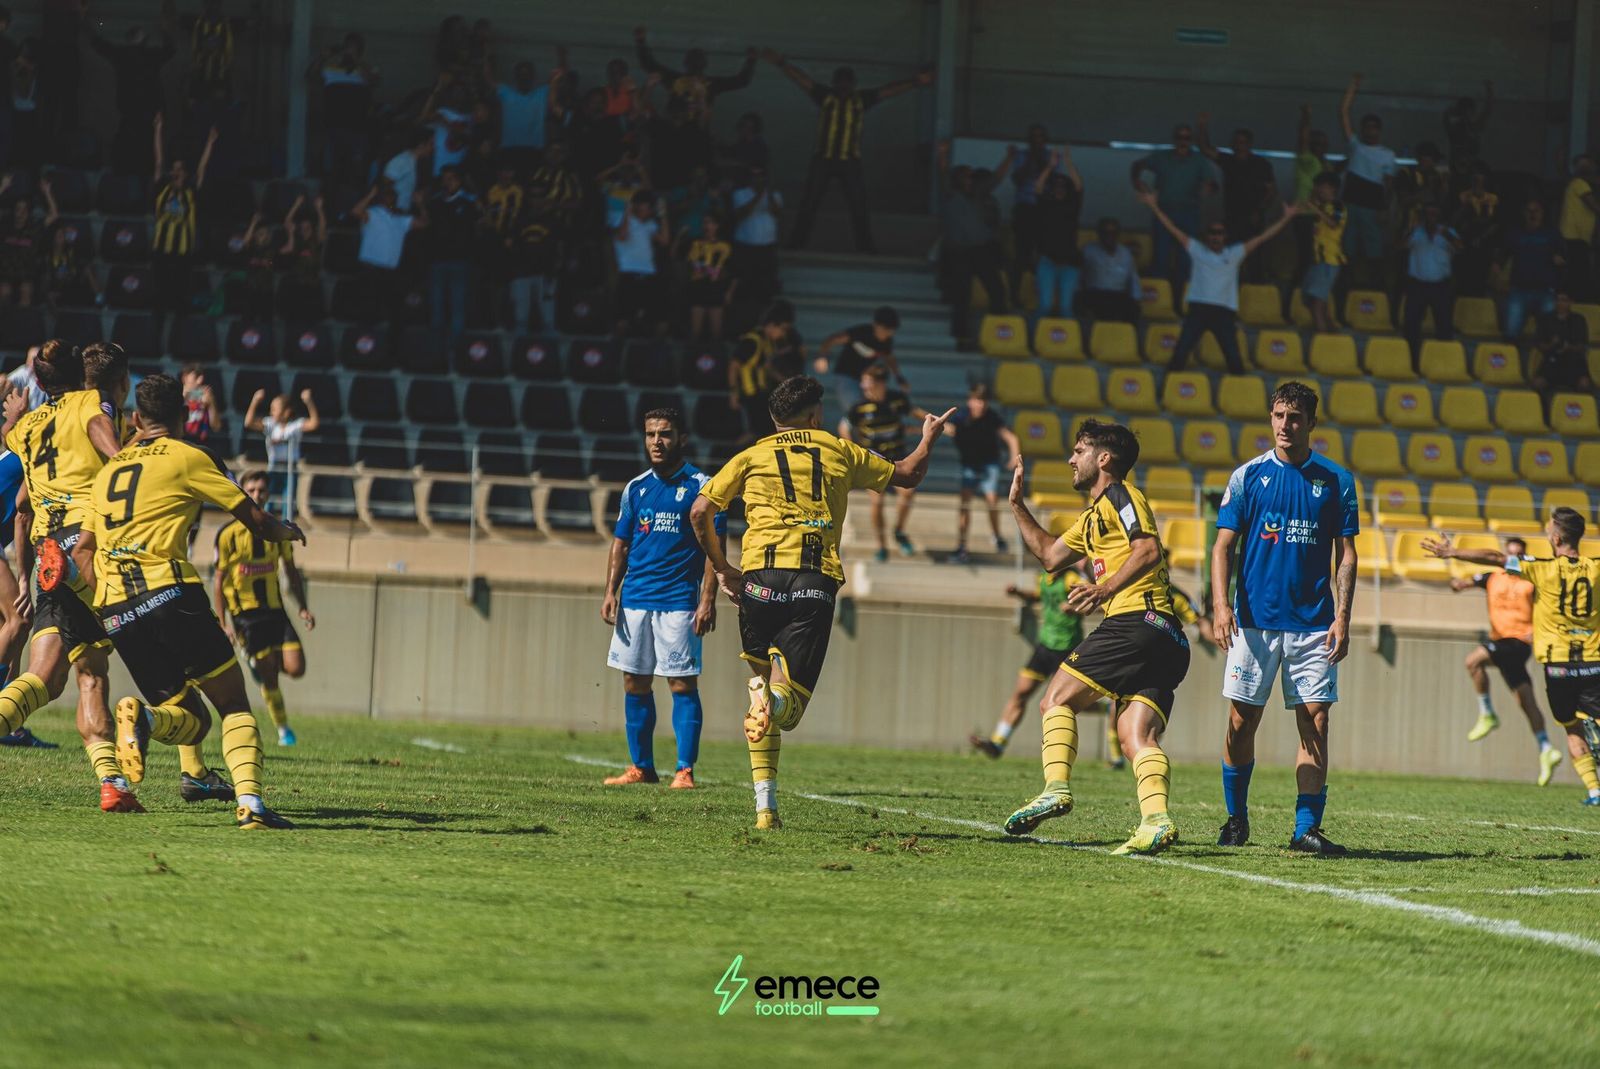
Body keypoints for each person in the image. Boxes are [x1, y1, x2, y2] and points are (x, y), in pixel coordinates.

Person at [690, 375, 955, 829]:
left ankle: (765, 808)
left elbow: (699, 511)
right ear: (814, 415)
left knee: (764, 689)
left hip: (758, 582)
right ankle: (768, 710)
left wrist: (723, 568)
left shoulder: (751, 456)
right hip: (813, 583)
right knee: (785, 710)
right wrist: (928, 437)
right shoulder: (838, 449)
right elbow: (908, 474)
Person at [80, 374, 304, 830]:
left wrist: (108, 598)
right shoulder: (189, 456)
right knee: (233, 703)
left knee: (190, 717)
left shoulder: (107, 473)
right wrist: (286, 530)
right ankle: (251, 806)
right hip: (170, 591)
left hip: (117, 609)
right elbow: (253, 519)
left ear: (136, 419)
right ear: (182, 415)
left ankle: (143, 718)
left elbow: (83, 549)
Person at [1001, 420, 1189, 856]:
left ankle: (1055, 788)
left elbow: (1147, 549)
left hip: (1135, 620)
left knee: (1055, 701)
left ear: (1103, 459)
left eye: (1079, 450)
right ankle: (1156, 820)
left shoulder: (1120, 496)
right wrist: (1017, 506)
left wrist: (1105, 589)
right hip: (1168, 639)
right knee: (1135, 734)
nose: (1071, 458)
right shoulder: (1092, 519)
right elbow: (1050, 556)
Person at [1212, 382, 1359, 855]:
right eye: (1278, 415)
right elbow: (1222, 547)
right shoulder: (1247, 476)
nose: (1284, 425)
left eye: (1294, 417)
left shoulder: (1337, 480)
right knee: (1241, 723)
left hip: (1315, 624)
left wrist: (1343, 617)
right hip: (1254, 623)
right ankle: (1236, 819)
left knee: (1315, 724)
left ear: (1311, 423)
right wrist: (1220, 604)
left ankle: (1305, 830)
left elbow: (1347, 555)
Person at [0, 341, 148, 810]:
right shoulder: (92, 400)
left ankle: (112, 782)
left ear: (39, 384)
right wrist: (132, 454)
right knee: (87, 674)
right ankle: (142, 777)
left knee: (54, 675)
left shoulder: (25, 429)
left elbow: (21, 507)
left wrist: (25, 577)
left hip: (47, 551)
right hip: (87, 545)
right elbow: (105, 435)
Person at [1424, 511, 1600, 807]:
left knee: (1571, 726)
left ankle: (1595, 792)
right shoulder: (1596, 569)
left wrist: (1452, 551)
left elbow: (1494, 558)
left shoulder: (1539, 569)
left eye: (1548, 531)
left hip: (1558, 666)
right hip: (1594, 662)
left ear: (1555, 538)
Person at [600, 408, 723, 789]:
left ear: (681, 439)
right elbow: (621, 543)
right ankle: (642, 768)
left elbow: (713, 551)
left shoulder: (703, 487)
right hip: (635, 599)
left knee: (681, 684)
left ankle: (684, 770)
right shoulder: (635, 488)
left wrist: (707, 600)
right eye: (651, 434)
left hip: (679, 603)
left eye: (665, 434)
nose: (657, 441)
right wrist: (610, 591)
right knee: (634, 684)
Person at [765, 51, 934, 253]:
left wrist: (915, 82)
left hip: (849, 161)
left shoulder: (861, 99)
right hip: (824, 159)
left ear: (853, 84)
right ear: (834, 83)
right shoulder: (826, 96)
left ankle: (865, 248)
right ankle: (797, 244)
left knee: (858, 206)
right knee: (809, 203)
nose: (843, 87)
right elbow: (803, 80)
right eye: (840, 83)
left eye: (847, 83)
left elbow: (888, 91)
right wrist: (783, 64)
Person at [1139, 188, 1299, 375]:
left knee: (1233, 357)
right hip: (1198, 308)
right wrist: (1154, 206)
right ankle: (1166, 393)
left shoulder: (1235, 253)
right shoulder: (1197, 250)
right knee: (1180, 353)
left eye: (1219, 233)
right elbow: (1172, 229)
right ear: (1207, 236)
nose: (1216, 236)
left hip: (1223, 312)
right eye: (1212, 233)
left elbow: (1263, 237)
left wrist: (1286, 218)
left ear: (1225, 236)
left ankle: (1242, 395)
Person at [1446, 537, 1564, 785]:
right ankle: (1546, 749)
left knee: (1473, 661)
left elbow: (1552, 607)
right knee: (1525, 700)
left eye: (1519, 554)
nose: (1515, 558)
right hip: (1501, 643)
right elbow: (1466, 583)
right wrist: (1457, 584)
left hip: (1519, 642)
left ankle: (1487, 714)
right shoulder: (1492, 577)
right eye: (1511, 553)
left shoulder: (1532, 580)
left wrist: (1540, 629)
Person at [212, 469, 314, 748]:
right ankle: (283, 730)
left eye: (262, 490)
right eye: (252, 489)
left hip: (275, 610)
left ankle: (262, 664)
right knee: (269, 674)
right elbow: (218, 582)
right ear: (243, 492)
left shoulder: (275, 529)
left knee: (296, 667)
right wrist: (223, 623)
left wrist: (303, 607)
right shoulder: (228, 534)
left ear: (268, 494)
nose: (257, 494)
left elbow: (290, 571)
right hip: (245, 615)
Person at [970, 564, 1088, 759]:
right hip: (1045, 646)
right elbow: (1038, 596)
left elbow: (1096, 602)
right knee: (1021, 693)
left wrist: (1075, 608)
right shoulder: (1043, 578)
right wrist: (1018, 593)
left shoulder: (1072, 580)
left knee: (1066, 702)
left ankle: (1104, 708)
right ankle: (998, 742)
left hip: (1068, 649)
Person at [839, 366, 930, 561]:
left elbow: (915, 412)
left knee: (908, 493)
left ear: (880, 383)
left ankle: (898, 531)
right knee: (877, 502)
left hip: (898, 457)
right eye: (863, 381)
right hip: (873, 461)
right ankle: (881, 546)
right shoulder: (859, 407)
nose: (863, 386)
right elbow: (844, 426)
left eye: (867, 381)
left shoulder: (896, 399)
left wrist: (933, 421)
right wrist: (851, 449)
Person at [936, 141, 1012, 344]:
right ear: (958, 179)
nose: (970, 179)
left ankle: (998, 330)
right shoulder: (950, 195)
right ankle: (961, 335)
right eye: (966, 175)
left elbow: (996, 178)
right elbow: (942, 174)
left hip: (981, 251)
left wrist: (1009, 158)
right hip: (959, 253)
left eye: (971, 176)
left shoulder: (979, 195)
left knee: (996, 289)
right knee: (962, 296)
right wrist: (942, 154)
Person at [0, 430, 45, 749]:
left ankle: (7, 722)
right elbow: (23, 515)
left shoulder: (24, 445)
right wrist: (24, 579)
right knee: (19, 618)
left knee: (8, 624)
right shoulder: (39, 456)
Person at [944, 384, 1020, 564]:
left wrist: (1014, 457)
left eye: (983, 401)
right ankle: (962, 545)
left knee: (992, 499)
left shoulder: (991, 417)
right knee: (965, 503)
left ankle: (996, 535)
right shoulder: (962, 416)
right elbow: (949, 429)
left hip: (989, 463)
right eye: (977, 400)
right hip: (969, 464)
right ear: (970, 401)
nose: (981, 405)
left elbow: (1011, 437)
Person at [1130, 122, 1214, 285]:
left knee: (1187, 257)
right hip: (1164, 213)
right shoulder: (1161, 157)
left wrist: (1208, 188)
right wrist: (1137, 182)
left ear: (1192, 140)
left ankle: (1182, 300)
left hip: (1189, 213)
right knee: (1160, 256)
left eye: (1187, 137)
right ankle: (1159, 298)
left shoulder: (1199, 160)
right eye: (1180, 137)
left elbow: (1212, 184)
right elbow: (1137, 165)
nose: (1183, 141)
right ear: (1174, 139)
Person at [151, 116, 218, 319]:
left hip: (183, 254)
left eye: (181, 169)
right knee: (159, 297)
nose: (177, 172)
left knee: (181, 299)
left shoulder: (191, 192)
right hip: (161, 251)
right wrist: (158, 130)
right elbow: (159, 160)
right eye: (175, 169)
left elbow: (202, 169)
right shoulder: (162, 188)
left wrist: (210, 143)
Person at [1338, 74, 1397, 288]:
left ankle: (1376, 287)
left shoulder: (1388, 154)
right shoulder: (1356, 146)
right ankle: (1346, 287)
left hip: (1372, 207)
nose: (1370, 130)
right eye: (1366, 126)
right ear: (1362, 129)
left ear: (1379, 130)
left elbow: (1388, 185)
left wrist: (1384, 208)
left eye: (1374, 126)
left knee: (1375, 251)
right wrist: (1352, 88)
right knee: (1348, 249)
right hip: (1351, 204)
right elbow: (1343, 113)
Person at [633, 27, 755, 127]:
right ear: (706, 65)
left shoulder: (675, 80)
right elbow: (742, 80)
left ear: (685, 63)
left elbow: (648, 64)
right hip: (697, 130)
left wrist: (641, 41)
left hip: (674, 127)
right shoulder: (711, 84)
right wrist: (751, 61)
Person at [1197, 117, 1278, 249]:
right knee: (1231, 255)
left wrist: (1259, 210)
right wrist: (1202, 126)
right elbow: (1205, 149)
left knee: (1254, 257)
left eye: (1243, 142)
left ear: (1249, 144)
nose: (1239, 145)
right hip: (1231, 218)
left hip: (1253, 219)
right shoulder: (1228, 160)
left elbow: (1272, 191)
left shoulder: (1261, 164)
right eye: (1236, 142)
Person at [244, 388, 321, 517]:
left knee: (288, 500)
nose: (271, 412)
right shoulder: (270, 424)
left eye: (274, 409)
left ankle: (287, 525)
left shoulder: (295, 425)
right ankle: (266, 524)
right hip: (274, 466)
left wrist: (309, 402)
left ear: (286, 412)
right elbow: (249, 423)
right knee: (268, 499)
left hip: (290, 468)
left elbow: (314, 423)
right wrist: (255, 401)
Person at [728, 301, 795, 445]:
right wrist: (734, 393)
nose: (783, 334)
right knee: (756, 432)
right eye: (782, 329)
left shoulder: (767, 342)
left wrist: (786, 382)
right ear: (771, 325)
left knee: (768, 431)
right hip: (750, 394)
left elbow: (767, 367)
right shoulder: (752, 341)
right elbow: (734, 366)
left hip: (762, 393)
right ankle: (731, 456)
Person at [1402, 203, 1460, 366]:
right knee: (1411, 325)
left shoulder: (1448, 232)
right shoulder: (1416, 232)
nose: (1431, 217)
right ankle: (1411, 362)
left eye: (1435, 214)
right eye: (1428, 214)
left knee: (1444, 325)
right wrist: (1410, 229)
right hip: (1417, 285)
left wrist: (1446, 234)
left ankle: (1444, 363)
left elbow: (1461, 248)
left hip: (1440, 286)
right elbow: (1400, 246)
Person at [1030, 148, 1085, 323]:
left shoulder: (1073, 206)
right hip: (1048, 261)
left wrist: (1068, 163)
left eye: (1063, 186)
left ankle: (1068, 347)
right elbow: (1038, 187)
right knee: (1045, 306)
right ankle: (1033, 342)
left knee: (1066, 309)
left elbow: (1079, 186)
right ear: (1051, 189)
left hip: (1070, 263)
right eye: (1056, 186)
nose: (1060, 189)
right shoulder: (1045, 205)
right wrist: (1050, 167)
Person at [811, 306, 904, 408]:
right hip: (845, 376)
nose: (886, 334)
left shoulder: (886, 342)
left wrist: (899, 378)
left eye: (890, 331)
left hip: (864, 380)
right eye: (885, 330)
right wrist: (822, 357)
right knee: (855, 408)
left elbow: (889, 358)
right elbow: (832, 339)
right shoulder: (860, 333)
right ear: (876, 325)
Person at [1501, 200, 1564, 341]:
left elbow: (1564, 255)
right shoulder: (1515, 233)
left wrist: (1560, 258)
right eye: (1529, 210)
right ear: (1524, 213)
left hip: (1545, 290)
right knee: (1510, 333)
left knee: (1550, 334)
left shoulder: (1552, 234)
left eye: (1536, 210)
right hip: (1519, 289)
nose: (1532, 214)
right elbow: (1502, 255)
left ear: (1542, 213)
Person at [612, 190, 670, 338]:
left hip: (649, 274)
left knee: (659, 319)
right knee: (623, 320)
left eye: (650, 208)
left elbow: (664, 240)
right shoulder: (623, 220)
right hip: (629, 274)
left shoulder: (650, 225)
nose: (649, 211)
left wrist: (663, 215)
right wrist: (628, 211)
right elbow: (622, 236)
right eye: (646, 207)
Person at [1530, 290, 1594, 413]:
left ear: (1570, 302)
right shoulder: (1545, 319)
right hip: (1552, 361)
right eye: (1557, 300)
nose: (1560, 303)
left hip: (1574, 361)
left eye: (1564, 300)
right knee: (1537, 384)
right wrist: (1551, 344)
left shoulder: (1579, 320)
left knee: (1585, 384)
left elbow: (1583, 345)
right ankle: (1545, 415)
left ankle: (1582, 413)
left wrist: (1569, 347)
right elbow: (1539, 345)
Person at [1302, 172, 1347, 334]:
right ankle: (1332, 331)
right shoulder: (1320, 206)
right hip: (1317, 260)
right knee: (1309, 299)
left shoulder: (1338, 206)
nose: (1318, 189)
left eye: (1321, 186)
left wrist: (1315, 209)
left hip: (1329, 261)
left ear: (1332, 188)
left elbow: (1333, 223)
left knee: (1317, 303)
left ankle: (1322, 340)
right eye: (1317, 186)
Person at [730, 166, 781, 306]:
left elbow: (777, 213)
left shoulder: (774, 195)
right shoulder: (740, 194)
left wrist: (768, 194)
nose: (758, 179)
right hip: (746, 247)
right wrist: (758, 196)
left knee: (766, 284)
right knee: (745, 282)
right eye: (754, 176)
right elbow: (741, 214)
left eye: (761, 176)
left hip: (767, 247)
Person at [1292, 104, 1331, 281]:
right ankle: (1295, 296)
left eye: (1324, 144)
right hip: (1305, 216)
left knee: (1317, 258)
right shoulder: (1307, 161)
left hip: (1320, 217)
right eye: (1317, 144)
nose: (1321, 147)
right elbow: (1303, 139)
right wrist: (1306, 117)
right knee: (1306, 258)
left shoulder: (1326, 166)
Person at [1079, 218, 1141, 325]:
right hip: (1096, 294)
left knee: (1134, 310)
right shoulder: (1089, 251)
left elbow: (1133, 278)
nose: (1109, 236)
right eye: (1105, 232)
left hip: (1118, 295)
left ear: (1118, 234)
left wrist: (1136, 298)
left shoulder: (1125, 253)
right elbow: (1079, 277)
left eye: (1113, 233)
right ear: (1099, 234)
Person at [684, 213, 734, 342]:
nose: (706, 226)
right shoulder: (695, 243)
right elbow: (689, 265)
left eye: (710, 223)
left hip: (715, 291)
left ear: (717, 226)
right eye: (704, 223)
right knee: (695, 331)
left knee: (716, 332)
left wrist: (729, 292)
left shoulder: (725, 246)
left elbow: (730, 271)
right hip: (698, 290)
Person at [1559, 155, 1598, 301]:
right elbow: (1593, 205)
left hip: (1576, 236)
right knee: (1578, 271)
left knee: (1577, 270)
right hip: (1574, 236)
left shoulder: (1576, 183)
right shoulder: (1580, 183)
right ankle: (1574, 299)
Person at [1443, 81, 1493, 184]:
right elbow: (1487, 111)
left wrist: (1490, 92)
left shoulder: (1471, 127)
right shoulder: (1462, 128)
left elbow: (1487, 111)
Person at [180, 363, 222, 445]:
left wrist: (211, 404)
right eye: (196, 377)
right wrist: (184, 398)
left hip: (200, 442)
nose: (200, 381)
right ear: (185, 377)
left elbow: (216, 427)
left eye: (202, 378)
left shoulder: (206, 396)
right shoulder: (175, 395)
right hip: (181, 440)